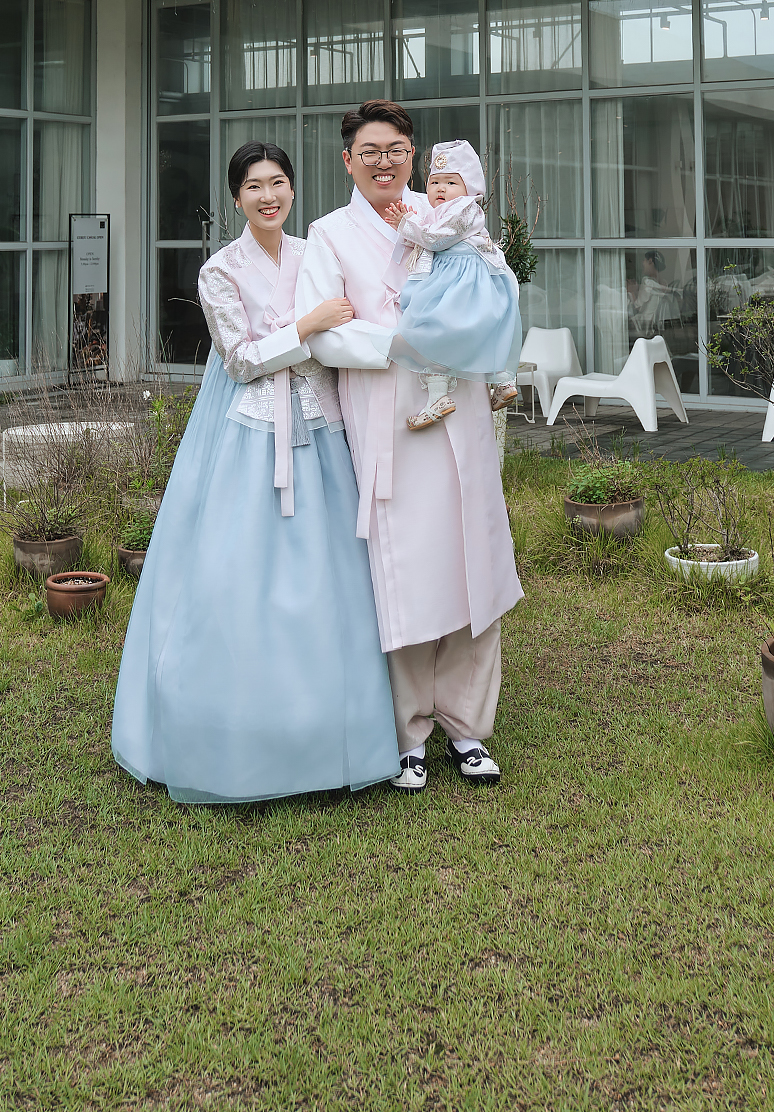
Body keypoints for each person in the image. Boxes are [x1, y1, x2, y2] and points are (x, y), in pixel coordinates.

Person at [111, 141, 400, 804]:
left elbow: (346, 336)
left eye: (278, 184)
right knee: (236, 579)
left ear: (292, 189)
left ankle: (330, 729)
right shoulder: (220, 270)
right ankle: (235, 730)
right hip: (251, 434)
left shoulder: (316, 252)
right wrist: (308, 325)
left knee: (333, 578)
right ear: (237, 198)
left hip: (321, 428)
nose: (268, 197)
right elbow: (240, 360)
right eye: (254, 187)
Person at [295, 101, 523, 794]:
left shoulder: (446, 211)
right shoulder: (329, 235)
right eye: (370, 151)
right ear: (348, 161)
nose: (385, 162)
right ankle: (409, 732)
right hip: (391, 418)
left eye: (397, 149)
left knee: (473, 561)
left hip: (461, 410)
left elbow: (495, 284)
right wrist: (403, 341)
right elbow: (325, 337)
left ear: (414, 155)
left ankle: (469, 726)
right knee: (409, 572)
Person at [383, 139, 522, 431]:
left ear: (470, 189)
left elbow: (436, 239)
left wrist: (406, 223)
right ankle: (500, 381)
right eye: (434, 182)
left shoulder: (464, 208)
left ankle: (440, 397)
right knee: (475, 332)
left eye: (450, 182)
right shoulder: (447, 210)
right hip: (466, 281)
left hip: (459, 282)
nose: (440, 189)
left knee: (435, 335)